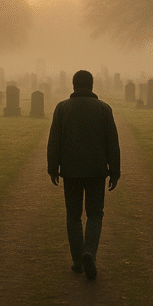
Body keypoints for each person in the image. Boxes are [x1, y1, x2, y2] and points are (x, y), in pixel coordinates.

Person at [46, 70, 120, 280]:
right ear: (92, 85)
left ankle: (78, 261)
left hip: (71, 170)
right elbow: (112, 143)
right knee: (95, 214)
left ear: (73, 85)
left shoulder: (62, 108)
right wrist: (114, 171)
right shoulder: (104, 109)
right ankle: (89, 251)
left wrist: (53, 167)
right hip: (97, 170)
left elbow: (54, 140)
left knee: (73, 215)